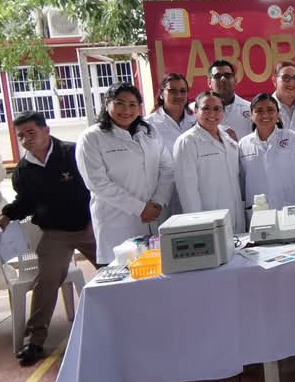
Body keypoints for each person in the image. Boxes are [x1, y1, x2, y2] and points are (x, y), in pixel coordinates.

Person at [0, 112, 98, 366]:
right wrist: (7, 215)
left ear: (46, 130)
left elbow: (96, 186)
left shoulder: (72, 152)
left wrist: (97, 220)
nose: (26, 139)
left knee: (115, 268)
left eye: (31, 133)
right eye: (21, 136)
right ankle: (35, 341)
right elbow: (26, 202)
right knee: (46, 280)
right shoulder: (23, 171)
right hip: (55, 233)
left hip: (90, 226)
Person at [76, 83, 174, 265]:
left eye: (132, 104)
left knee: (158, 270)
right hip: (117, 221)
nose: (126, 110)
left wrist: (158, 201)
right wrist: (140, 208)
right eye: (119, 103)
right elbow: (98, 184)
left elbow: (167, 167)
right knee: (123, 271)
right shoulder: (92, 138)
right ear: (107, 103)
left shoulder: (149, 132)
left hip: (155, 215)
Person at [173, 91, 245, 234]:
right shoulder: (187, 141)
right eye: (206, 108)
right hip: (209, 223)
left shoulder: (228, 138)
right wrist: (199, 226)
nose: (212, 113)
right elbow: (187, 191)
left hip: (236, 218)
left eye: (217, 109)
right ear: (195, 111)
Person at [239, 93, 295, 219]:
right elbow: (242, 183)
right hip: (259, 214)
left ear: (278, 114)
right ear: (251, 116)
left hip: (292, 210)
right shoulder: (243, 144)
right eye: (259, 111)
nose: (265, 115)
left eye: (270, 110)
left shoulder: (292, 138)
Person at [144, 73, 195, 215]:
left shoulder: (197, 120)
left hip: (195, 188)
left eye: (183, 91)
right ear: (161, 94)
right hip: (163, 194)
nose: (178, 95)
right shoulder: (147, 125)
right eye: (172, 91)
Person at [208, 60, 253, 141]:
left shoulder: (251, 109)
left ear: (235, 80)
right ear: (209, 83)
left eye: (227, 75)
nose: (223, 79)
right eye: (217, 76)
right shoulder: (196, 111)